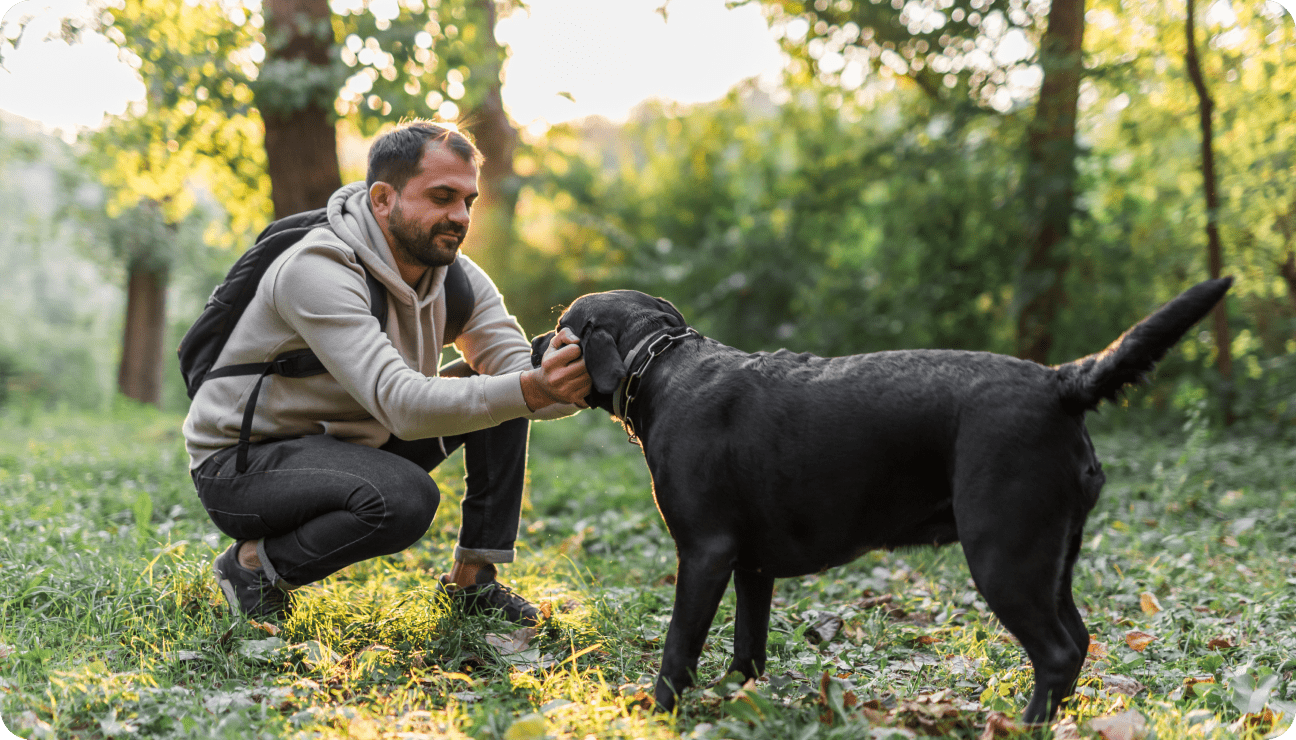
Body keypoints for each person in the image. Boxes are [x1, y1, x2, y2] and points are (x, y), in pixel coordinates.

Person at [182, 120, 591, 625]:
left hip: (356, 442)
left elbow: (520, 377)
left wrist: (577, 379)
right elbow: (401, 404)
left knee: (505, 389)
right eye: (441, 197)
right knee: (403, 498)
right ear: (382, 198)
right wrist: (531, 387)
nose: (459, 216)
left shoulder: (457, 277)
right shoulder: (318, 267)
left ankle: (474, 583)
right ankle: (249, 568)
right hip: (246, 465)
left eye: (468, 200)